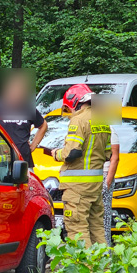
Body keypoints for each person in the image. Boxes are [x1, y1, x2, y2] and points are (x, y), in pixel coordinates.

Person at [41, 84, 112, 248]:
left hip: (77, 188)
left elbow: (72, 153)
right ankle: (105, 270)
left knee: (77, 230)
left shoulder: (78, 120)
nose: (69, 112)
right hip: (95, 186)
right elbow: (108, 154)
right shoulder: (103, 119)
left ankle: (86, 271)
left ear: (75, 102)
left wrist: (57, 154)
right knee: (97, 229)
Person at [0, 72, 48, 169]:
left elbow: (43, 125)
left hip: (24, 160)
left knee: (29, 184)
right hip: (0, 163)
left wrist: (34, 145)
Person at [103, 130, 120, 245]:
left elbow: (115, 157)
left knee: (104, 216)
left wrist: (108, 181)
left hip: (104, 174)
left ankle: (106, 250)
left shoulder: (111, 131)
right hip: (94, 175)